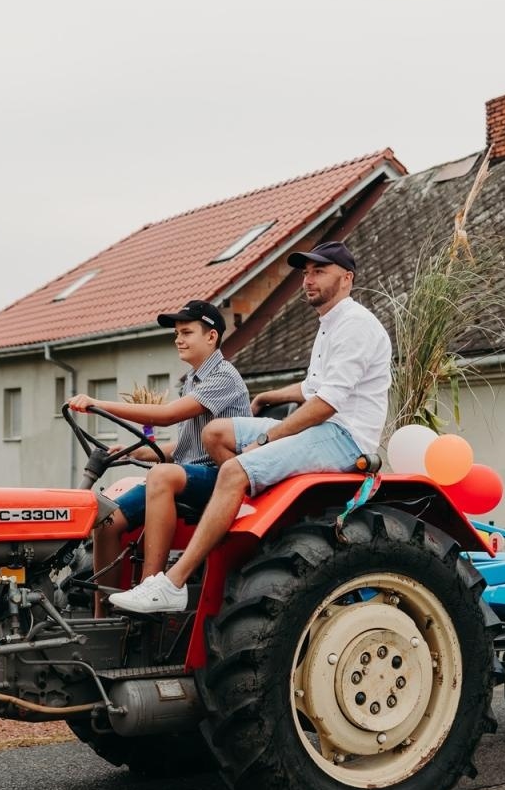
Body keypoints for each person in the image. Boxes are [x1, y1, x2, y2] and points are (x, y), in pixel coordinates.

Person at [109, 241, 389, 614]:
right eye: (306, 272)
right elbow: (312, 388)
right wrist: (269, 395)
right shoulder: (330, 325)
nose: (308, 280)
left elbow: (326, 404)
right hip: (324, 426)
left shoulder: (356, 325)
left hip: (344, 437)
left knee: (233, 470)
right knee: (215, 432)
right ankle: (235, 509)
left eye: (319, 271)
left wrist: (266, 438)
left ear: (347, 278)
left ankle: (173, 584)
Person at [67, 300, 250, 612]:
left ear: (211, 337)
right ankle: (103, 617)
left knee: (161, 475)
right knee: (106, 520)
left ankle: (151, 587)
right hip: (191, 472)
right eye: (176, 333)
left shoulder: (223, 377)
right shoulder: (192, 380)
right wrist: (135, 451)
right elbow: (185, 447)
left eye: (186, 332)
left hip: (223, 476)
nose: (178, 339)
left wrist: (100, 404)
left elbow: (167, 416)